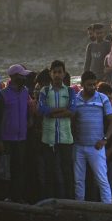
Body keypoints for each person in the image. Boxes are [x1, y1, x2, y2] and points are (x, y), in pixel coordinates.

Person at [69, 71, 112, 204]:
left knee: (102, 180)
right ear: (82, 84)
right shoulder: (75, 99)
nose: (93, 87)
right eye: (89, 85)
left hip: (96, 147)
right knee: (78, 180)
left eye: (94, 84)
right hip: (79, 146)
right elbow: (72, 120)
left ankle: (108, 209)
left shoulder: (102, 98)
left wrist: (105, 139)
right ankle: (80, 208)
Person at [0, 64, 33, 203]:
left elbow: (27, 112)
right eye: (22, 75)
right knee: (4, 171)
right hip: (6, 139)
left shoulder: (25, 92)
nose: (24, 77)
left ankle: (17, 197)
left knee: (19, 169)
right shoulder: (2, 95)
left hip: (21, 138)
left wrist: (29, 119)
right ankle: (2, 198)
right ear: (14, 77)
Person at [38, 59, 75, 199]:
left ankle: (69, 203)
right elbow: (41, 110)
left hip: (66, 138)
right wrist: (61, 110)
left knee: (67, 172)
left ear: (64, 74)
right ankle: (50, 203)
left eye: (60, 72)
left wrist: (52, 112)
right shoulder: (45, 91)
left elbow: (72, 111)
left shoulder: (70, 91)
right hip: (49, 139)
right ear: (50, 74)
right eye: (55, 72)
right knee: (50, 172)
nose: (57, 75)